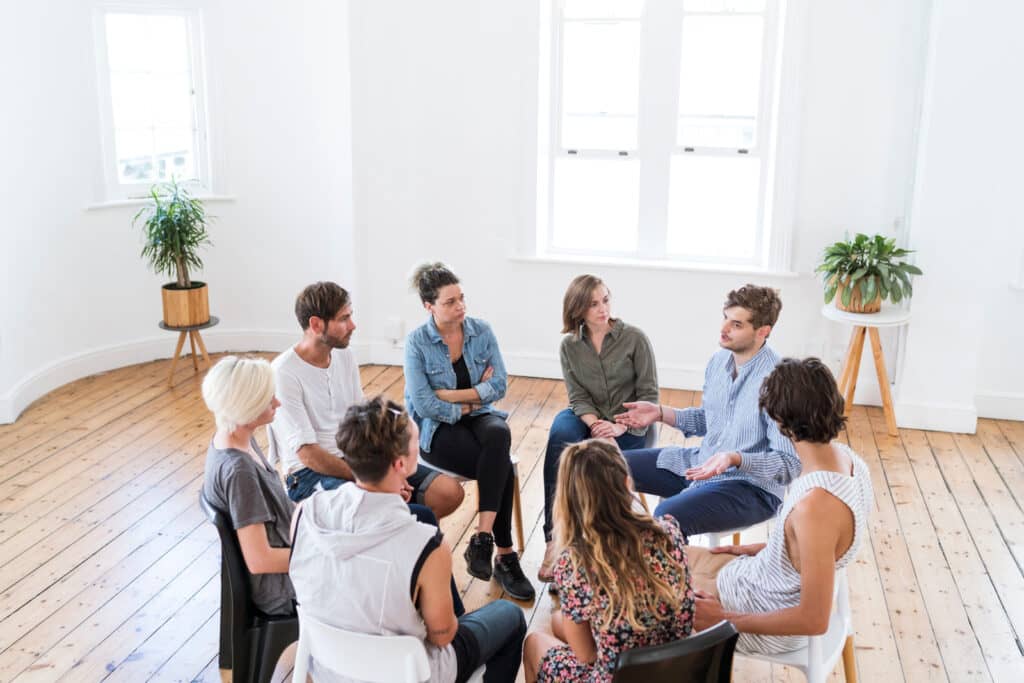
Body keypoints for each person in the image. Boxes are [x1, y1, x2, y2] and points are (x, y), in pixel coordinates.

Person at [289, 397, 527, 683]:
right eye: (415, 442)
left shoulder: (306, 513)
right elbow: (442, 635)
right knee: (510, 615)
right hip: (405, 673)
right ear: (400, 463)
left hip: (329, 667)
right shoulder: (426, 544)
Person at [688, 358, 873, 655]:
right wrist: (763, 547)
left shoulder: (815, 507)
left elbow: (813, 620)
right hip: (755, 580)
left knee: (638, 586)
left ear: (779, 421)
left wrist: (723, 619)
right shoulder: (848, 460)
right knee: (655, 557)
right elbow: (817, 550)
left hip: (760, 617)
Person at [268, 281, 463, 523]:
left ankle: (394, 543)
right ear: (316, 325)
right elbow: (309, 455)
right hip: (309, 474)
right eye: (343, 319)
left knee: (448, 492)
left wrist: (390, 471)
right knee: (390, 514)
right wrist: (377, 481)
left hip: (354, 458)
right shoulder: (283, 373)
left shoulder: (344, 355)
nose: (353, 325)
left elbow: (360, 421)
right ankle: (389, 540)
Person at [615, 284, 801, 536]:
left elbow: (788, 464)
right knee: (604, 468)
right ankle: (608, 559)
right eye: (725, 318)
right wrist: (660, 412)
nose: (724, 329)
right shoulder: (719, 361)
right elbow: (707, 419)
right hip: (700, 464)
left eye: (736, 324)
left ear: (763, 331)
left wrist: (735, 459)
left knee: (667, 515)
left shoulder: (780, 380)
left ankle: (664, 573)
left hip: (750, 488)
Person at [403, 263, 535, 601]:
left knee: (498, 434)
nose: (460, 307)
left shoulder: (481, 331)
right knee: (499, 464)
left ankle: (482, 538)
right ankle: (504, 556)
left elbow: (500, 384)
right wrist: (471, 398)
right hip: (437, 430)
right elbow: (425, 405)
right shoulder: (417, 343)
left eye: (461, 298)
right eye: (450, 302)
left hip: (479, 419)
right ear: (428, 306)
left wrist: (453, 396)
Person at [523, 440, 695, 682]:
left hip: (618, 677)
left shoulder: (575, 563)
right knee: (557, 619)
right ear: (627, 483)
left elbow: (586, 655)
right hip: (674, 670)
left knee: (535, 643)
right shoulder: (669, 532)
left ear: (569, 500)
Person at [539, 274, 659, 582]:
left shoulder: (635, 339)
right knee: (561, 436)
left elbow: (648, 396)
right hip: (588, 417)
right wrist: (595, 426)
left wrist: (619, 427)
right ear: (578, 308)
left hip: (631, 425)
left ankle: (602, 551)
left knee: (602, 464)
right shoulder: (569, 347)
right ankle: (555, 540)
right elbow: (577, 396)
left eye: (605, 300)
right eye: (592, 304)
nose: (602, 309)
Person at [200, 356, 294, 616]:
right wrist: (320, 558)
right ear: (247, 407)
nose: (278, 402)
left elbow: (280, 509)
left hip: (294, 550)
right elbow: (260, 560)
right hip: (283, 589)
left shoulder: (238, 439)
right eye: (269, 399)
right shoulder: (239, 471)